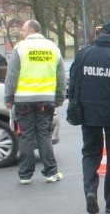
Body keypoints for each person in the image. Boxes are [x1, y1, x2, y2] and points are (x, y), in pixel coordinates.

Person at [69, 19, 110, 214]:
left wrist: (75, 104)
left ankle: (90, 191)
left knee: (90, 153)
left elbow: (73, 83)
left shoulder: (83, 55)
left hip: (88, 114)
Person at [4, 20, 66, 184]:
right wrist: (59, 97)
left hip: (23, 100)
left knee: (26, 137)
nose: (21, 33)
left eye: (23, 29)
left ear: (31, 30)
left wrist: (8, 98)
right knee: (44, 135)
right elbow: (60, 77)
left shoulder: (20, 48)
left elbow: (12, 76)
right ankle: (51, 172)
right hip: (45, 100)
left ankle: (25, 175)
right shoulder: (53, 48)